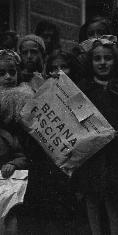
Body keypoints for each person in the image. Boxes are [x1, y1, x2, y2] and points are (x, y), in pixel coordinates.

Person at [76, 38, 118, 235]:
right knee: (91, 197)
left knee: (113, 199)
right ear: (90, 62)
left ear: (115, 61)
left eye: (107, 58)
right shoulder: (82, 89)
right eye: (97, 59)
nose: (102, 63)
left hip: (115, 154)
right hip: (90, 154)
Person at [0, 49, 29, 235]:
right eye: (2, 73)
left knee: (10, 210)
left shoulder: (24, 95)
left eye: (12, 72)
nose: (8, 77)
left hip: (13, 160)